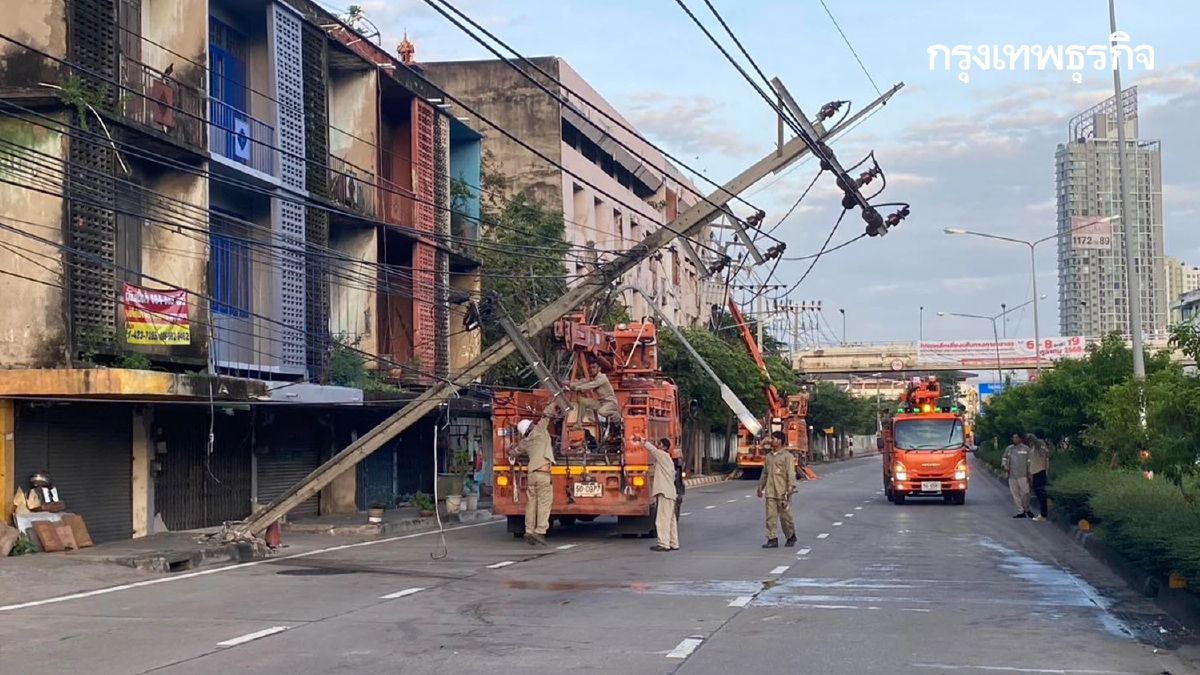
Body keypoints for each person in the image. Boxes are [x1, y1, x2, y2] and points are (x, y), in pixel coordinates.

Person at [511, 404, 558, 546]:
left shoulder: (525, 442)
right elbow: (547, 414)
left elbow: (514, 452)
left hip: (531, 474)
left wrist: (510, 452)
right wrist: (555, 400)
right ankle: (540, 532)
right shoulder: (540, 430)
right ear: (531, 427)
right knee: (544, 504)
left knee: (531, 503)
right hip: (543, 474)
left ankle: (529, 530)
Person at [639, 436, 679, 552]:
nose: (658, 446)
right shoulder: (668, 458)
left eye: (660, 444)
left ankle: (663, 544)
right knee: (671, 519)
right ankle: (673, 543)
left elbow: (653, 450)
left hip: (664, 492)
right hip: (670, 492)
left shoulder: (662, 455)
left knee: (662, 519)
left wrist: (642, 441)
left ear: (664, 447)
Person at [757, 435, 797, 548]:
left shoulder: (787, 456)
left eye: (774, 439)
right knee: (770, 517)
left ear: (780, 441)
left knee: (786, 518)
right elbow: (765, 473)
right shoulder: (768, 456)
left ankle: (791, 536)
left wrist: (790, 488)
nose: (771, 441)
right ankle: (772, 539)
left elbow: (791, 473)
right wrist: (760, 487)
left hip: (783, 492)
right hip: (770, 492)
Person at [1001, 433, 1033, 518]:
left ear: (1020, 439)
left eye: (1016, 438)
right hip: (1012, 476)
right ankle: (1020, 511)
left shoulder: (1026, 449)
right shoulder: (1009, 449)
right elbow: (1004, 458)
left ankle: (1027, 509)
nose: (1014, 439)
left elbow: (1030, 462)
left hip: (1023, 475)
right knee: (1015, 495)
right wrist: (1005, 465)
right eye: (1013, 437)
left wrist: (1030, 473)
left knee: (1025, 494)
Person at [1027, 433, 1050, 521]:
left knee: (1041, 494)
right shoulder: (1032, 447)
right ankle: (1042, 514)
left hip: (1040, 471)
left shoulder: (1040, 444)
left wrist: (1032, 437)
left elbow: (1044, 455)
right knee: (1038, 493)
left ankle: (1043, 515)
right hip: (1035, 472)